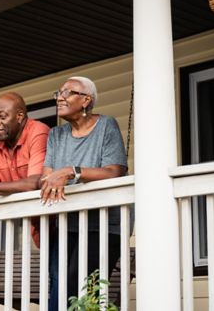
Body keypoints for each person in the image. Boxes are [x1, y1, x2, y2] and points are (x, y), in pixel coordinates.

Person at [40, 76, 128, 310]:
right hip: (67, 223)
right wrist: (56, 176)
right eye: (58, 92)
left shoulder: (106, 126)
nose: (60, 97)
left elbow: (114, 171)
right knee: (62, 290)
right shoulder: (56, 135)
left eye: (68, 92)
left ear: (86, 100)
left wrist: (71, 172)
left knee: (82, 288)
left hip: (103, 224)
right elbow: (47, 177)